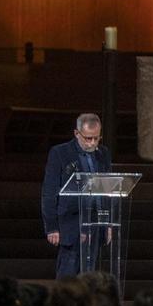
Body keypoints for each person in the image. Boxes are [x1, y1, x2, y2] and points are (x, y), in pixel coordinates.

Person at [41, 113, 112, 278]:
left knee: (90, 277)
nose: (92, 143)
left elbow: (107, 189)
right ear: (76, 133)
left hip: (94, 223)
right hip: (70, 223)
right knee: (68, 277)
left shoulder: (103, 153)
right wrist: (52, 226)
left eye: (96, 138)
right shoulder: (60, 153)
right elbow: (49, 191)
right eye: (88, 138)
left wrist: (107, 223)